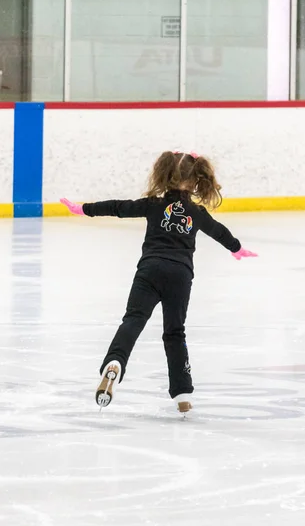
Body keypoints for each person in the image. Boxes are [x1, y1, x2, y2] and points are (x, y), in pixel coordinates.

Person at [60, 151, 257, 413]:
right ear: (195, 179)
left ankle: (114, 363)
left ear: (163, 176)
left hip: (149, 271)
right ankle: (183, 394)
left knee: (133, 320)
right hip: (180, 276)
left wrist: (84, 209)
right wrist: (236, 248)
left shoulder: (152, 205)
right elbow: (218, 231)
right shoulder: (196, 213)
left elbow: (119, 207)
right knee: (175, 332)